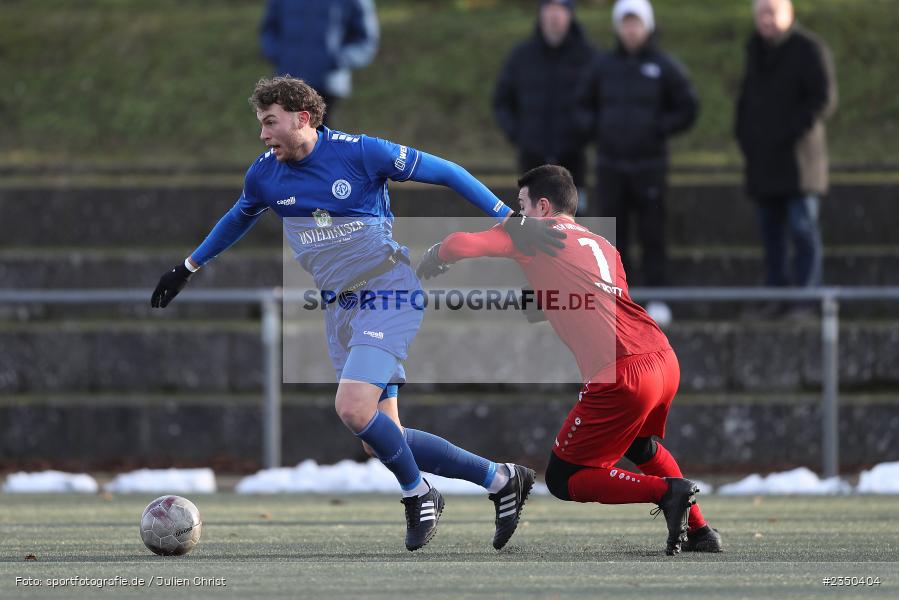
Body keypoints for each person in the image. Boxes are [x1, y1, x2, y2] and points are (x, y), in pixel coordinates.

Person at [150, 77, 566, 551]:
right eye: (261, 124)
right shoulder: (264, 174)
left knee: (351, 408)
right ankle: (500, 479)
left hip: (387, 290)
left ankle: (419, 493)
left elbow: (447, 171)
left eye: (270, 123)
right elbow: (237, 218)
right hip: (339, 308)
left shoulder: (361, 153)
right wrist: (187, 267)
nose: (263, 134)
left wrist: (508, 219)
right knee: (379, 436)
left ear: (302, 118)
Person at [417, 165, 721, 555]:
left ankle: (667, 493)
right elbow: (591, 297)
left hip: (623, 370)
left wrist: (434, 256)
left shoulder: (534, 233)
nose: (517, 213)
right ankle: (700, 532)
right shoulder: (602, 244)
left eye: (521, 205)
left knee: (565, 478)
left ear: (542, 207)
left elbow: (461, 243)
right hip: (661, 356)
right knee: (641, 446)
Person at [576, 0, 698, 326]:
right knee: (614, 237)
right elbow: (581, 106)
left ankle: (658, 295)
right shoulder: (603, 66)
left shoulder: (663, 66)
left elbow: (688, 107)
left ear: (647, 26)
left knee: (652, 232)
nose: (631, 30)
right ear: (618, 27)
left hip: (649, 167)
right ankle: (618, 297)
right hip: (610, 165)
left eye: (637, 23)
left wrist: (660, 128)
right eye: (626, 23)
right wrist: (598, 129)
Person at [736, 0, 837, 314]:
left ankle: (806, 301)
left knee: (803, 231)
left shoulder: (808, 48)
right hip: (765, 163)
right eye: (761, 13)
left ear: (789, 14)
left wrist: (791, 130)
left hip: (799, 164)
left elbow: (823, 99)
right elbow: (747, 100)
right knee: (772, 238)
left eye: (772, 12)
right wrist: (746, 136)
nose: (766, 19)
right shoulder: (755, 50)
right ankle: (776, 298)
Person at [492, 0, 598, 213]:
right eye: (549, 8)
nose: (554, 16)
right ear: (541, 13)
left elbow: (601, 101)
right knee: (531, 221)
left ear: (569, 14)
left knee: (574, 222)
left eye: (560, 9)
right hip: (532, 158)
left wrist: (585, 131)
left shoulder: (589, 56)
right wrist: (519, 134)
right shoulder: (522, 56)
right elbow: (502, 100)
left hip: (573, 159)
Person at [260, 0, 379, 127]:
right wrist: (279, 54)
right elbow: (269, 30)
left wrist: (337, 60)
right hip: (287, 82)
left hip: (326, 85)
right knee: (282, 136)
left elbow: (365, 41)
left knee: (318, 138)